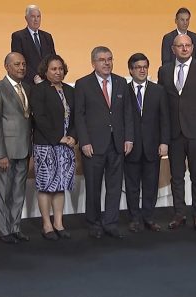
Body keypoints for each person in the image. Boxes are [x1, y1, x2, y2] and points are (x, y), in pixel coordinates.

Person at [75, 46, 134, 239]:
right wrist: (84, 141)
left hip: (117, 144)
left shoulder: (121, 82)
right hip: (93, 145)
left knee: (115, 186)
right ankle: (94, 223)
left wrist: (128, 138)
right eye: (102, 60)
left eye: (109, 59)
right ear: (93, 63)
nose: (107, 63)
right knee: (93, 187)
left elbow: (127, 113)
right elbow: (79, 115)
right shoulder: (83, 84)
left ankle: (110, 223)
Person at [157, 34, 196, 231]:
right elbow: (162, 101)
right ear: (173, 49)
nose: (184, 48)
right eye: (180, 46)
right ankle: (179, 213)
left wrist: (195, 117)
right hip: (174, 132)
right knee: (177, 175)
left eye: (187, 45)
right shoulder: (164, 71)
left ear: (192, 47)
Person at [0, 52, 32, 244]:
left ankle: (15, 228)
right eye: (16, 64)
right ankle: (4, 231)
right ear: (6, 66)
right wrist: (0, 153)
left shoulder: (28, 88)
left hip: (24, 149)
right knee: (3, 192)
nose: (21, 67)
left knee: (18, 192)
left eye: (23, 64)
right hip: (4, 151)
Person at [29, 54, 76, 240]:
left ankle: (59, 223)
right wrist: (59, 138)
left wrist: (73, 136)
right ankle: (47, 225)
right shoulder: (39, 90)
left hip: (66, 146)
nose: (58, 72)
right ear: (45, 71)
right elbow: (39, 118)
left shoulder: (70, 91)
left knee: (60, 185)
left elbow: (76, 117)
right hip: (46, 146)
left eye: (60, 68)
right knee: (46, 185)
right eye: (53, 69)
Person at [124, 53, 170, 233]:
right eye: (138, 67)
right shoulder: (123, 90)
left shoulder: (158, 91)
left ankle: (149, 217)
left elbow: (164, 119)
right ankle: (134, 219)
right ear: (130, 70)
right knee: (132, 185)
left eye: (145, 66)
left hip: (153, 146)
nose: (142, 70)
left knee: (151, 185)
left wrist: (164, 142)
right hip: (131, 147)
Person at [11, 5, 56, 85]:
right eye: (33, 16)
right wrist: (34, 77)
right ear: (26, 18)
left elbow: (53, 59)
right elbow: (18, 61)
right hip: (28, 83)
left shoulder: (47, 36)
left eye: (38, 16)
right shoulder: (18, 36)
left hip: (48, 82)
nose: (36, 20)